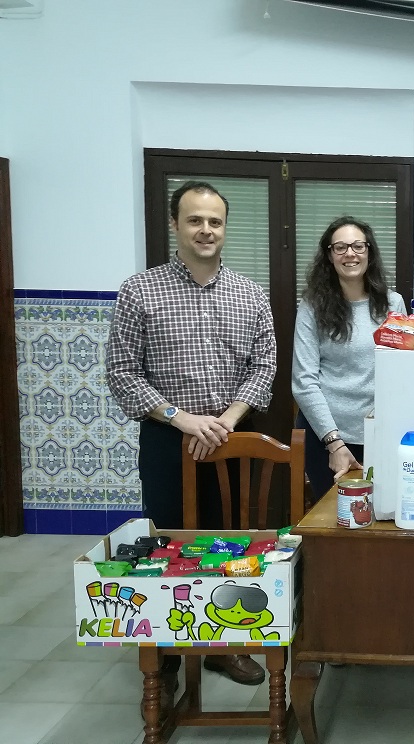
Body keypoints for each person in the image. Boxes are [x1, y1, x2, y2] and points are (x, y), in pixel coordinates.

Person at [107, 180, 277, 687]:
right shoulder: (140, 290)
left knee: (230, 544)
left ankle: (226, 644)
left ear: (226, 228)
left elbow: (264, 364)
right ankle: (168, 657)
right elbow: (121, 372)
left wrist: (225, 421)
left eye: (215, 221)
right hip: (167, 438)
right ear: (174, 225)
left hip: (233, 439)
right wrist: (182, 419)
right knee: (170, 545)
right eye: (195, 220)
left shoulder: (250, 293)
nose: (206, 230)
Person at [292, 216, 406, 502]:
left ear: (369, 251)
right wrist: (334, 443)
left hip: (381, 435)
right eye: (340, 247)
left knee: (382, 516)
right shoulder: (312, 306)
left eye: (358, 246)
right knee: (333, 520)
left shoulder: (393, 303)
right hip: (326, 437)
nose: (350, 254)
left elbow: (403, 374)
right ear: (329, 256)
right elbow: (304, 381)